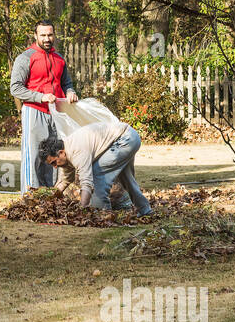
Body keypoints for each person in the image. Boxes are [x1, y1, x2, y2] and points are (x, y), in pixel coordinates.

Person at [10, 20, 76, 191]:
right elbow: (15, 88)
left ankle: (49, 196)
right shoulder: (25, 57)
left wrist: (70, 92)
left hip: (56, 113)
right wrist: (40, 97)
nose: (47, 39)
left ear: (54, 35)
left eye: (50, 35)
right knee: (33, 156)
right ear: (36, 36)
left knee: (54, 156)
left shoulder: (59, 59)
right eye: (43, 35)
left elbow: (66, 82)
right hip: (34, 111)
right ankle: (30, 195)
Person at [38, 121, 153, 215]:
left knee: (96, 172)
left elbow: (87, 183)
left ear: (61, 152)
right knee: (126, 179)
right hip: (129, 136)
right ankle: (145, 210)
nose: (55, 167)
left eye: (54, 162)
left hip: (125, 140)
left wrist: (81, 210)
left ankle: (103, 215)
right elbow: (64, 181)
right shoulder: (65, 154)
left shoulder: (77, 151)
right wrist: (47, 200)